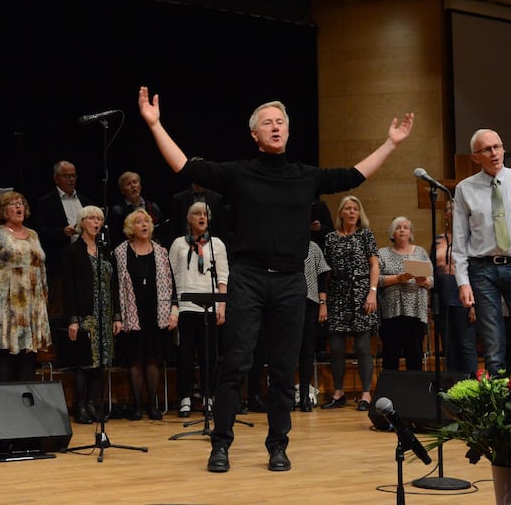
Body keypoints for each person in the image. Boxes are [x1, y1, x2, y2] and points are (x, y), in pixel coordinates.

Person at [138, 86, 414, 472]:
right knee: (236, 362)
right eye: (267, 122)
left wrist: (390, 143)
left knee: (284, 368)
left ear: (288, 130)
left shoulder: (304, 176)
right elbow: (185, 167)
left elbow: (352, 176)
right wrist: (155, 124)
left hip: (289, 281)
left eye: (280, 122)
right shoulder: (238, 172)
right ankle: (221, 445)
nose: (275, 127)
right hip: (248, 278)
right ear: (254, 133)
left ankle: (278, 446)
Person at [452, 129, 511, 376]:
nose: (494, 153)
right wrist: (462, 282)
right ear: (475, 157)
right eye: (487, 149)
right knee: (493, 344)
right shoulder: (465, 189)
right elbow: (460, 241)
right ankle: (499, 407)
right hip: (482, 270)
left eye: (497, 146)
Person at [0, 191, 51, 382]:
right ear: (3, 210)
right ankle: (8, 407)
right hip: (6, 305)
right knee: (6, 359)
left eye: (21, 203)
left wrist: (44, 301)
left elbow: (41, 268)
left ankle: (26, 407)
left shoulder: (33, 234)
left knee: (28, 358)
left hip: (32, 306)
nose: (19, 207)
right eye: (13, 204)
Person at [113, 208, 178, 420]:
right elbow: (115, 286)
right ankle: (136, 406)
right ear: (131, 228)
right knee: (134, 360)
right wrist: (118, 317)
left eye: (147, 222)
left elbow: (171, 282)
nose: (144, 225)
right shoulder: (121, 252)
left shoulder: (160, 251)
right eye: (139, 222)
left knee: (152, 360)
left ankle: (153, 405)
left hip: (156, 310)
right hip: (132, 311)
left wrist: (174, 309)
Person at [63, 205, 122, 424]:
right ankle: (79, 407)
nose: (96, 222)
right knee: (85, 363)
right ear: (82, 222)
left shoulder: (105, 250)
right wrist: (73, 320)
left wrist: (117, 316)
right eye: (92, 218)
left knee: (102, 362)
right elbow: (69, 288)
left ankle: (92, 404)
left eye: (99, 218)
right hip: (85, 315)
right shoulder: (73, 251)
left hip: (105, 316)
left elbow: (113, 285)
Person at [169, 201, 228, 417]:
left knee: (209, 355)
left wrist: (222, 304)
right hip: (185, 305)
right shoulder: (178, 244)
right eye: (197, 214)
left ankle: (208, 396)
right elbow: (171, 277)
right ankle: (185, 397)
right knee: (185, 354)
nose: (202, 217)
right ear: (189, 219)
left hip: (209, 307)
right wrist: (173, 306)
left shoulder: (217, 244)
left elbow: (223, 276)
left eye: (205, 214)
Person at [322, 196, 379, 412]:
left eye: (356, 208)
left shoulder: (366, 235)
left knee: (363, 346)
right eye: (348, 208)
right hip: (337, 293)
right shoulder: (330, 238)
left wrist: (372, 293)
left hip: (361, 292)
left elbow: (374, 265)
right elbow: (325, 273)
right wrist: (324, 301)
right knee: (336, 347)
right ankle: (339, 393)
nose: (352, 212)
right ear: (341, 213)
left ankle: (365, 394)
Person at [33, 161, 92, 320]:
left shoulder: (84, 201)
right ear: (56, 178)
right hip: (59, 262)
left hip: (84, 259)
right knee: (60, 307)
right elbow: (39, 231)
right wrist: (62, 232)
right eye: (67, 176)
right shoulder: (46, 202)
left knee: (84, 303)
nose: (71, 179)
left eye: (73, 175)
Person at [377, 216, 433, 371]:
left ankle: (413, 394)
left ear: (411, 233)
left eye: (405, 227)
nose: (402, 230)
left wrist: (424, 281)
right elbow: (377, 279)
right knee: (390, 356)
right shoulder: (383, 253)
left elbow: (431, 279)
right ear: (392, 233)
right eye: (398, 227)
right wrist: (398, 278)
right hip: (391, 312)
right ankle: (390, 394)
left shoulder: (420, 252)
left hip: (415, 311)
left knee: (414, 355)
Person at [434, 200, 477, 374]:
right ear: (445, 215)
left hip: (464, 296)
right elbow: (432, 269)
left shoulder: (471, 239)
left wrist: (475, 305)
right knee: (448, 344)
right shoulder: (437, 239)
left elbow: (476, 271)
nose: (451, 212)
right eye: (448, 209)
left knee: (466, 343)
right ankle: (453, 386)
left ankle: (472, 386)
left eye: (455, 208)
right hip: (443, 296)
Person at [296, 235, 330, 411]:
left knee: (307, 351)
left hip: (310, 302)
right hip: (287, 302)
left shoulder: (313, 247)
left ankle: (304, 396)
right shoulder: (284, 244)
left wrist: (323, 305)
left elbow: (322, 277)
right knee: (287, 351)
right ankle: (285, 396)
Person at [108, 171, 164, 248]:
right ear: (122, 190)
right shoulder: (118, 211)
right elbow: (115, 238)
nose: (133, 186)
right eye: (128, 184)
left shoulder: (153, 207)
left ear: (140, 186)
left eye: (135, 182)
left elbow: (161, 232)